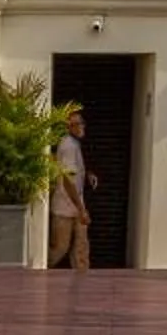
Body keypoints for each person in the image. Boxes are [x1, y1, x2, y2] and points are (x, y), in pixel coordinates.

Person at [49, 107, 93, 271]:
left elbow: (74, 171)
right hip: (65, 206)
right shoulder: (68, 146)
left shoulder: (73, 144)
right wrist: (81, 210)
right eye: (76, 124)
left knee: (81, 248)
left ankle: (82, 282)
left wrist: (86, 173)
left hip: (74, 205)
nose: (81, 126)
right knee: (60, 249)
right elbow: (68, 180)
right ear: (69, 127)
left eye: (81, 123)